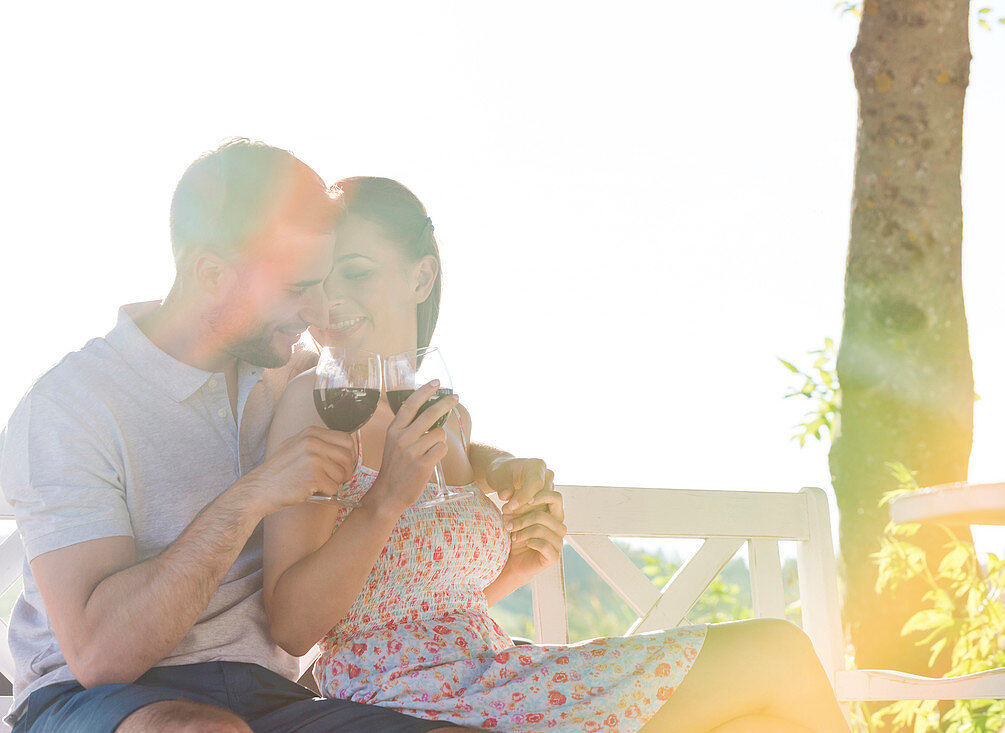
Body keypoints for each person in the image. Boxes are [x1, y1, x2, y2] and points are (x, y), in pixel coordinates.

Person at [263, 176, 852, 733]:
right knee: (778, 655)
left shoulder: (442, 414)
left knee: (764, 718)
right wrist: (385, 501)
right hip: (405, 703)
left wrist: (516, 558)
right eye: (319, 279)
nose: (332, 298)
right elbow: (294, 627)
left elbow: (420, 606)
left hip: (492, 679)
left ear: (421, 279)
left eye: (356, 273)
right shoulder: (319, 404)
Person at [0, 140, 491, 733]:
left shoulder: (290, 371)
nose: (317, 312)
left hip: (272, 696)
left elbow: (400, 414)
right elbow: (103, 656)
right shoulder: (73, 405)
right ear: (211, 273)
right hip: (95, 700)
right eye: (296, 288)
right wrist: (254, 493)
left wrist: (496, 464)